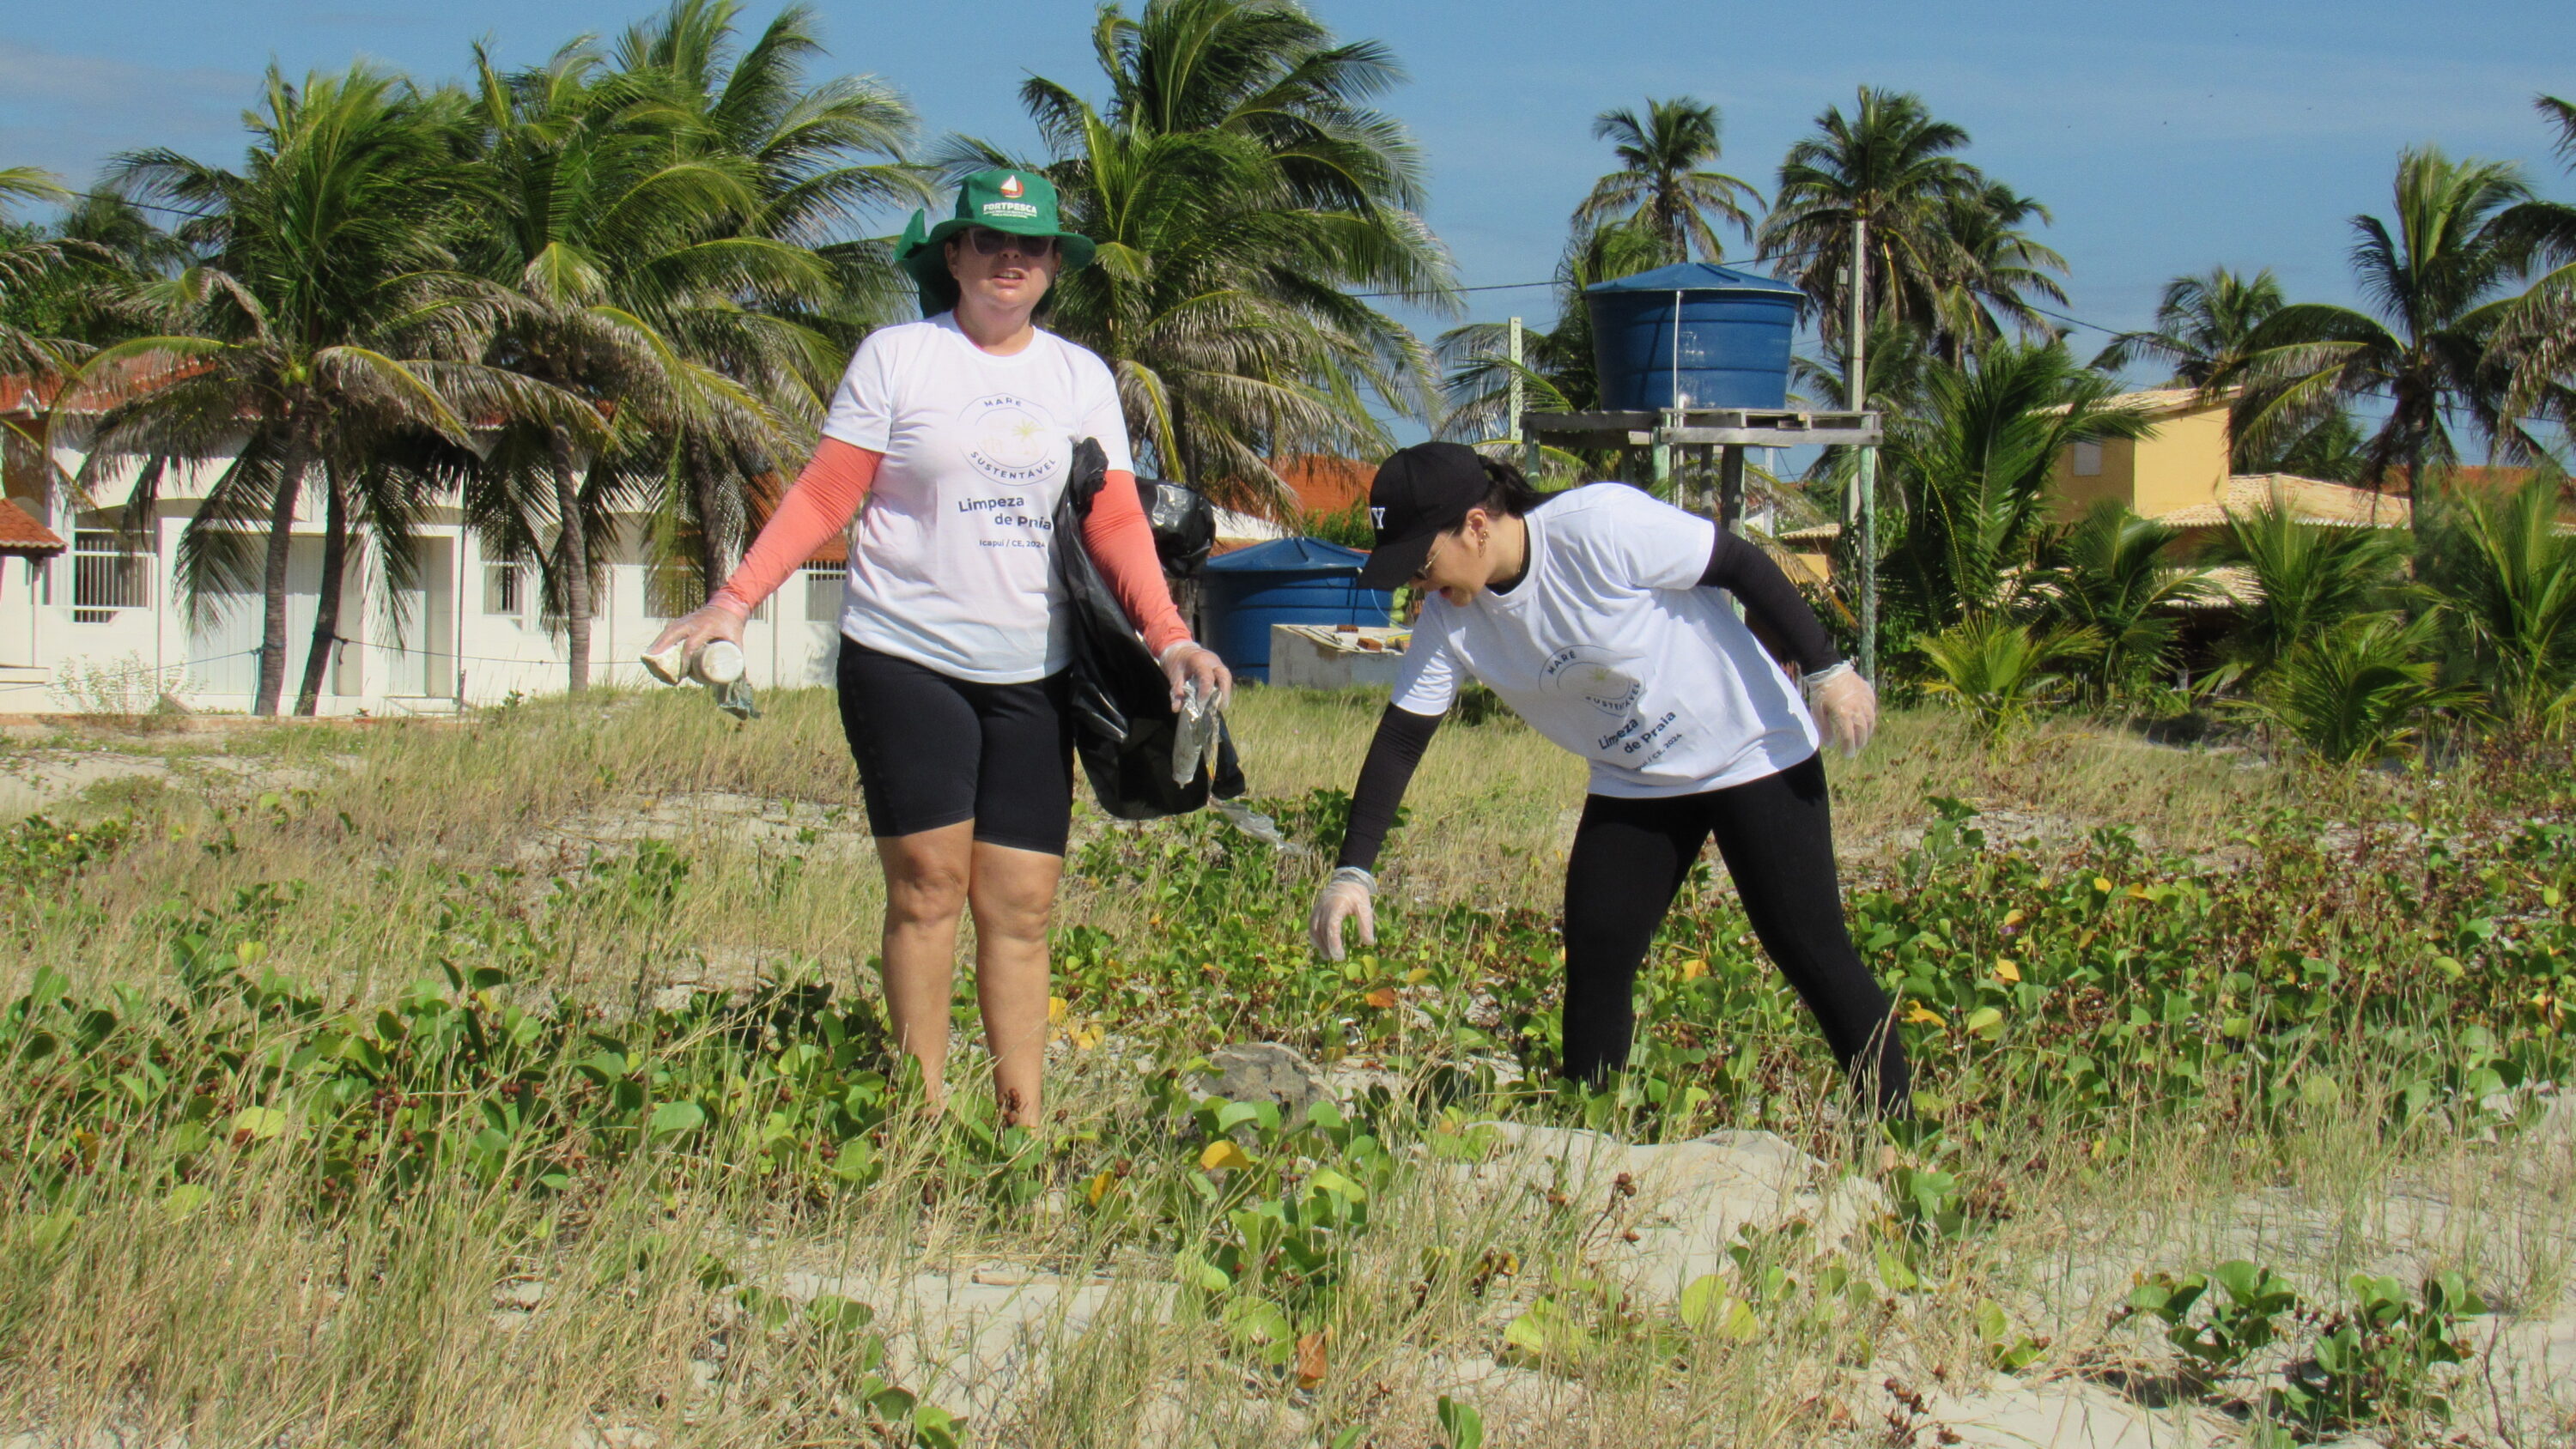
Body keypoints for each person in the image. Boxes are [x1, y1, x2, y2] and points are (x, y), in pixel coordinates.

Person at [649, 170, 1230, 1127]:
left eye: (1034, 247)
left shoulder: (1079, 376)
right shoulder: (898, 357)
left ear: (1053, 267)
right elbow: (826, 494)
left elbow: (1115, 519)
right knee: (928, 886)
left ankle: (1021, 1126)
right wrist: (733, 601)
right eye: (991, 243)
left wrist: (1168, 636)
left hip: (1036, 671)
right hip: (905, 655)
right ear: (953, 254)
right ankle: (918, 1121)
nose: (1013, 261)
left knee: (1024, 902)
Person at [1307, 443, 1910, 1117]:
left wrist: (1826, 670)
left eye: (1422, 565)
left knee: (1809, 948)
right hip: (1638, 781)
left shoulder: (1599, 526)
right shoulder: (1452, 620)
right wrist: (1353, 872)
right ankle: (1587, 1134)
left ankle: (1896, 1132)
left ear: (1477, 524)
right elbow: (1401, 738)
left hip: (1752, 750)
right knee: (1598, 952)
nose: (1418, 587)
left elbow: (1737, 562)